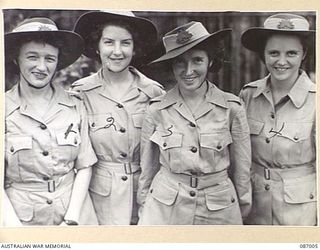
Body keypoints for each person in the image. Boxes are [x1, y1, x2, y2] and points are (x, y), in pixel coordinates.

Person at [137, 21, 252, 225]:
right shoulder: (156, 109)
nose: (188, 70)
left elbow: (242, 168)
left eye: (197, 60)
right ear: (171, 65)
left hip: (219, 207)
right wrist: (145, 204)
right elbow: (148, 167)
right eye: (180, 62)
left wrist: (241, 205)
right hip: (165, 206)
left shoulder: (232, 108)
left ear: (210, 61)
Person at [71, 11, 165, 225]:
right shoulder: (81, 92)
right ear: (97, 46)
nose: (117, 51)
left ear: (134, 48)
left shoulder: (153, 92)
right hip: (99, 200)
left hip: (145, 195)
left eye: (125, 43)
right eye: (108, 42)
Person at [4, 17, 98, 226]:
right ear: (16, 59)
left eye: (49, 59)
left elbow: (84, 166)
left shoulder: (75, 105)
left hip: (74, 214)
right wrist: (14, 229)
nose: (41, 66)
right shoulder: (4, 108)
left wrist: (72, 218)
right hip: (20, 219)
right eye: (32, 57)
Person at [240, 13, 316, 225]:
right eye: (273, 53)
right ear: (263, 55)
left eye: (291, 53)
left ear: (304, 54)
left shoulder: (315, 101)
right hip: (254, 209)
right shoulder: (248, 95)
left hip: (300, 213)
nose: (281, 61)